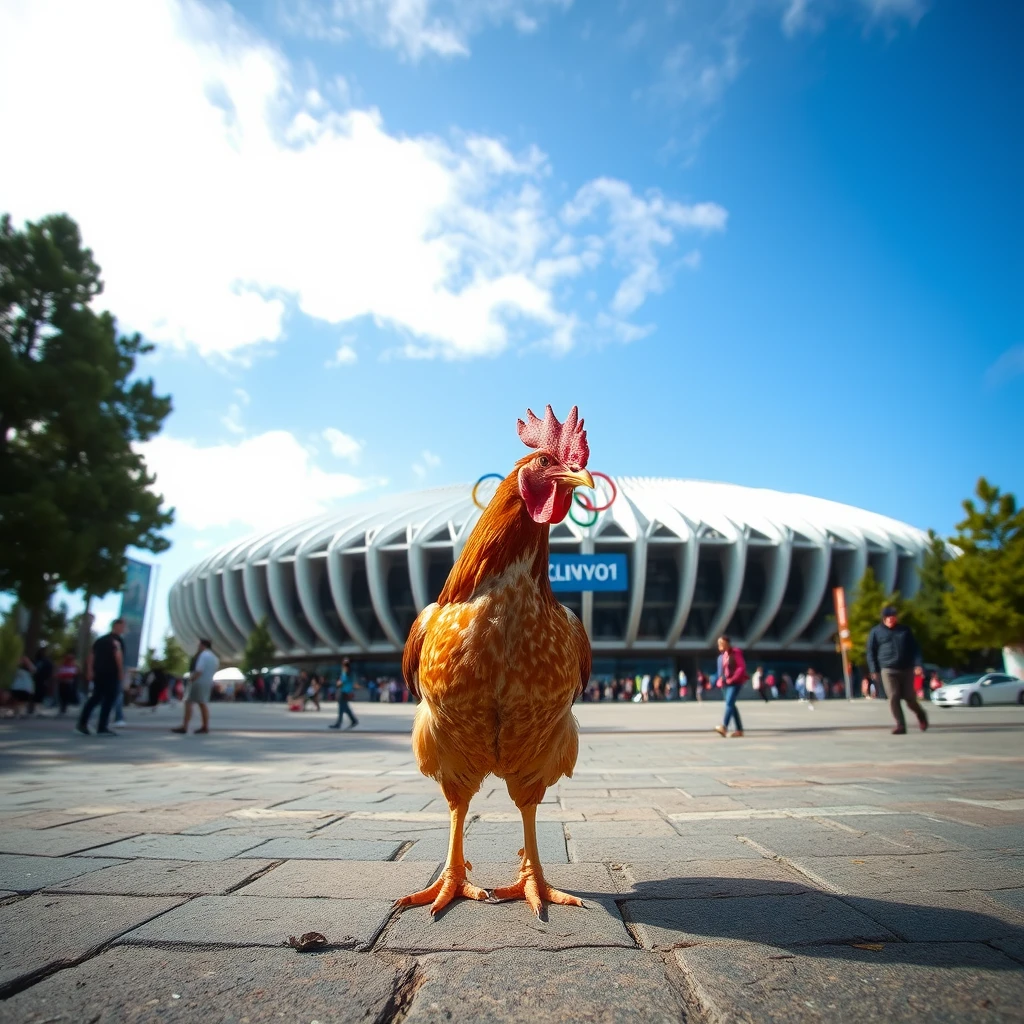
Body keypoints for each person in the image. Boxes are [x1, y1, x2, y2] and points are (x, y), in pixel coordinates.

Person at [867, 605, 928, 734]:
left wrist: (918, 665)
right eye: (888, 617)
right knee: (893, 696)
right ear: (883, 618)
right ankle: (900, 725)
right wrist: (874, 670)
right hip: (888, 670)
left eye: (893, 617)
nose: (890, 619)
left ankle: (921, 715)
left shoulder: (905, 630)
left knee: (909, 698)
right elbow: (871, 652)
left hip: (906, 669)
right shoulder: (876, 632)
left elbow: (915, 649)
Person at [77, 618, 126, 736]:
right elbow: (118, 656)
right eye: (122, 626)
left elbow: (91, 656)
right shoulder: (116, 641)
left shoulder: (101, 640)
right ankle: (102, 726)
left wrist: (90, 670)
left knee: (96, 697)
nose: (124, 629)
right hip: (111, 673)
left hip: (98, 672)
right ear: (116, 626)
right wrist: (120, 672)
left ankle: (83, 723)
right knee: (108, 699)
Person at [171, 639, 218, 735]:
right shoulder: (214, 657)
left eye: (199, 645)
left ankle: (185, 726)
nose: (198, 647)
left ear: (203, 645)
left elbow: (199, 670)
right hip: (208, 682)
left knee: (188, 702)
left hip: (198, 682)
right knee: (203, 703)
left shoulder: (203, 655)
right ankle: (205, 726)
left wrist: (191, 679)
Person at [714, 635, 748, 738]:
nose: (720, 645)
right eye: (719, 643)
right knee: (731, 705)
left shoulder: (736, 653)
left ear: (728, 644)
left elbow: (741, 668)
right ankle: (739, 730)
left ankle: (724, 727)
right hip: (725, 684)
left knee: (729, 703)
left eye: (722, 643)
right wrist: (719, 680)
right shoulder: (721, 657)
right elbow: (720, 672)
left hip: (735, 683)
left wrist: (732, 679)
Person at [329, 658, 358, 729]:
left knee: (341, 708)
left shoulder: (346, 672)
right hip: (346, 691)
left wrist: (338, 683)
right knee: (345, 708)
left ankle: (339, 723)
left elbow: (342, 681)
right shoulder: (349, 672)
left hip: (344, 692)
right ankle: (353, 720)